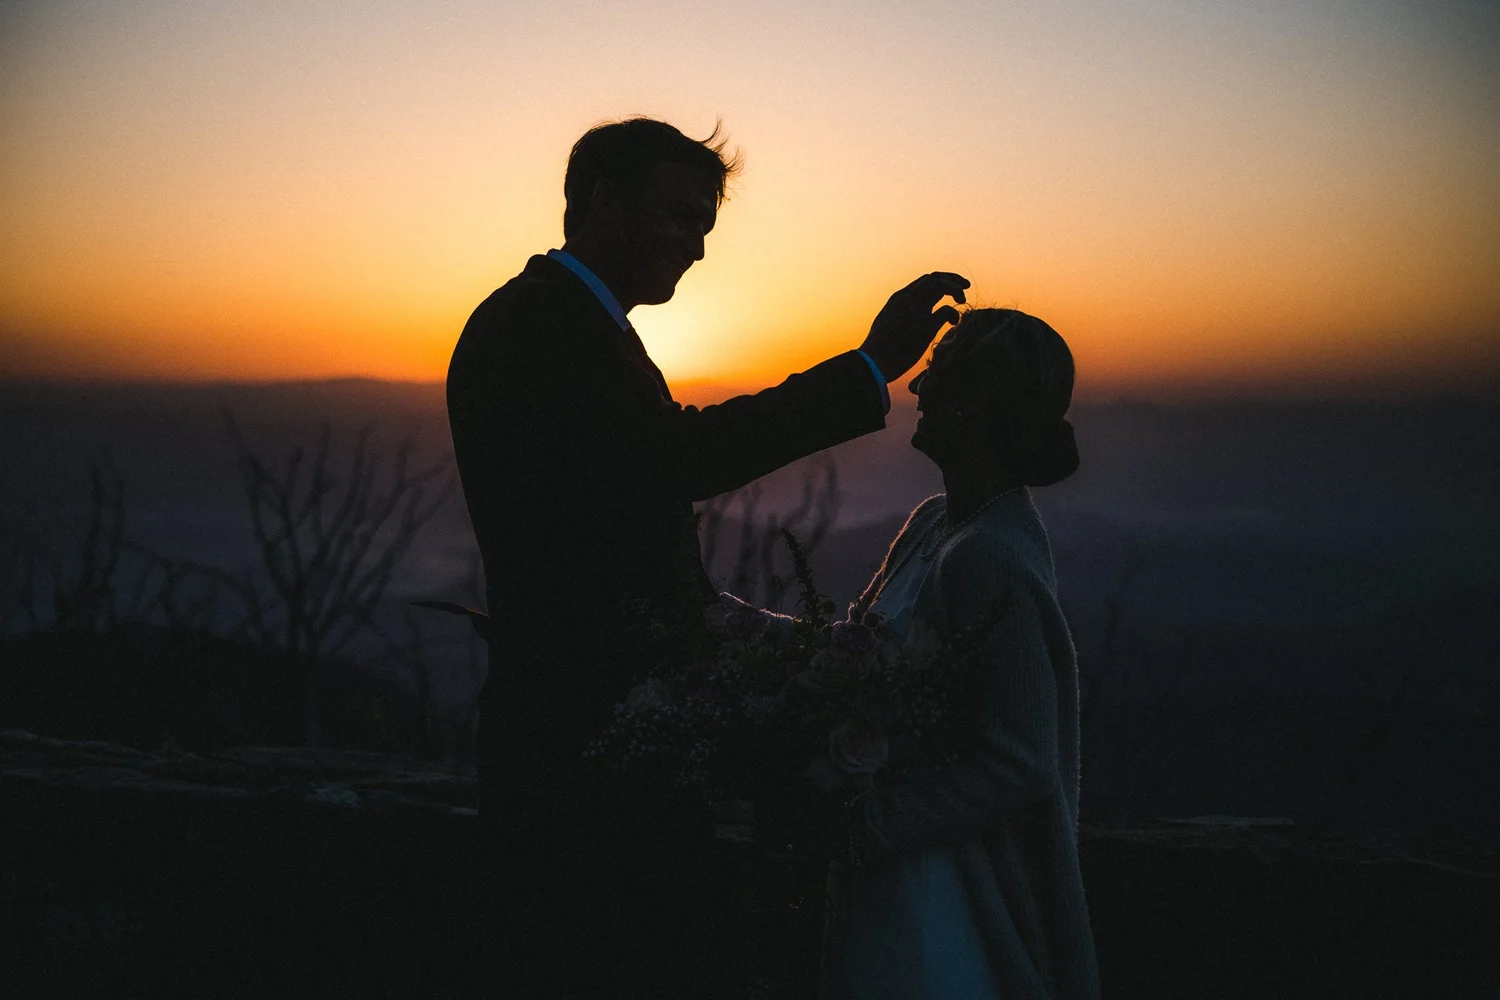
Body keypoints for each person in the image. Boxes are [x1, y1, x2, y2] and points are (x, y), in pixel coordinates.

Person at [445, 116, 968, 994]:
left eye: (706, 229)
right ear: (605, 202)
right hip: (577, 748)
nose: (694, 249)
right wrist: (871, 367)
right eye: (680, 217)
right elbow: (673, 462)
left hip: (594, 733)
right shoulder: (543, 325)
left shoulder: (576, 322)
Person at [820, 308, 1101, 998]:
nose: (916, 389)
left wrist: (868, 827)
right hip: (896, 873)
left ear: (974, 405)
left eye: (936, 374)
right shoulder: (933, 525)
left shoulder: (987, 557)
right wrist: (736, 625)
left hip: (940, 892)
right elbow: (856, 648)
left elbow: (1022, 760)